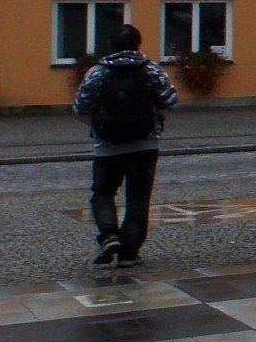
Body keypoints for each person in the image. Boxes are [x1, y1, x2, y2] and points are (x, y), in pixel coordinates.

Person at [71, 24, 179, 267]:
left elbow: (79, 106)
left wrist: (97, 123)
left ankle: (109, 235)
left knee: (103, 193)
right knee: (138, 197)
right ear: (138, 44)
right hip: (145, 143)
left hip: (106, 145)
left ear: (110, 45)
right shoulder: (151, 70)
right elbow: (171, 100)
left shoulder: (97, 72)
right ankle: (129, 251)